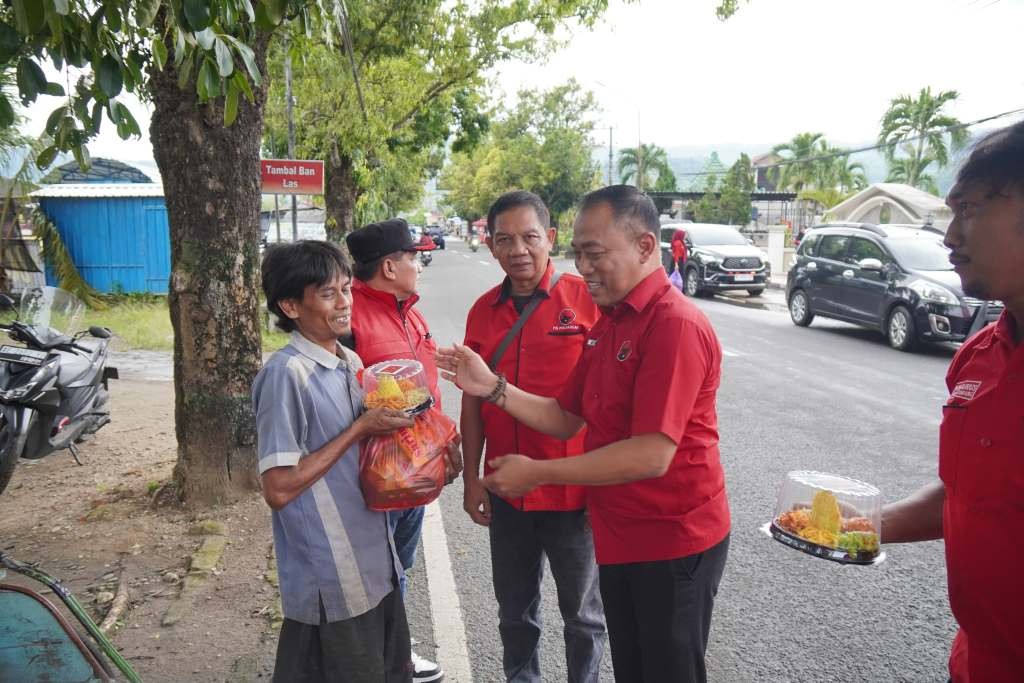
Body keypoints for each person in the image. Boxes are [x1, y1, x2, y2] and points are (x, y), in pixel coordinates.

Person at [437, 185, 731, 683]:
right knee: (630, 665)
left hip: (670, 536)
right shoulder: (613, 323)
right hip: (617, 526)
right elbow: (565, 416)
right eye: (581, 254)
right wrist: (493, 387)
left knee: (661, 665)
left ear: (644, 247)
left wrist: (541, 472)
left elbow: (652, 454)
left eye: (595, 254)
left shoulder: (672, 324)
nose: (586, 267)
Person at [881, 120, 1024, 682]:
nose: (949, 236)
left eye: (969, 209)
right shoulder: (979, 355)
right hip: (974, 663)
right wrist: (865, 524)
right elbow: (970, 493)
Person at [253, 240, 414, 682]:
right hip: (331, 572)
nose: (345, 303)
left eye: (346, 289)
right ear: (290, 305)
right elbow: (279, 488)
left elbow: (363, 454)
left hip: (375, 560)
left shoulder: (350, 361)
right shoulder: (285, 375)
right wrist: (360, 429)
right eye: (328, 294)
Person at [462, 190, 606, 681]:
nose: (518, 249)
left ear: (550, 237)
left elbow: (607, 404)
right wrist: (472, 479)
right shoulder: (482, 311)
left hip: (574, 493)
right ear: (491, 245)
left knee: (583, 617)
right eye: (505, 239)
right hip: (507, 491)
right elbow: (473, 399)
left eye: (529, 237)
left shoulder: (586, 302)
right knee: (514, 614)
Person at [345, 218, 454, 683]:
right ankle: (382, 661)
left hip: (416, 468)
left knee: (398, 566)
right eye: (414, 257)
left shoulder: (409, 311)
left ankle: (390, 652)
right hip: (376, 476)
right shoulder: (349, 318)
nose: (420, 264)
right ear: (390, 266)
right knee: (377, 569)